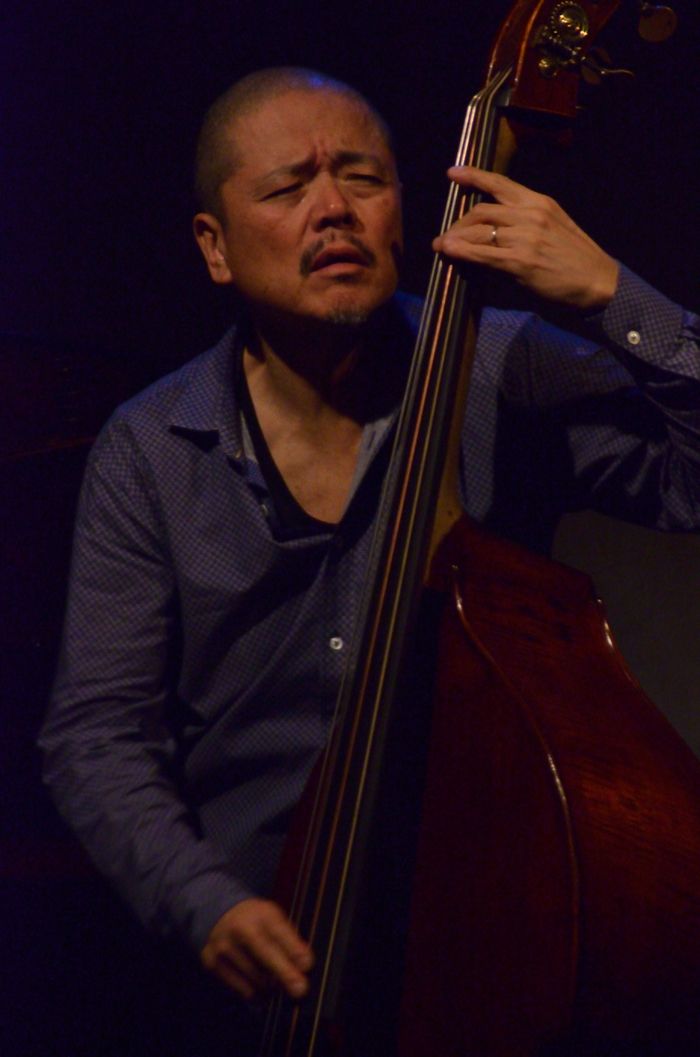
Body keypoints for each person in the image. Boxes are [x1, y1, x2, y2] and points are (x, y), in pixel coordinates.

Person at [40, 66, 700, 1044]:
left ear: (405, 211)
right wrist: (203, 904)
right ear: (214, 247)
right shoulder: (148, 450)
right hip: (249, 970)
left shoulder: (499, 364)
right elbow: (97, 736)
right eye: (287, 187)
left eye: (363, 178)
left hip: (488, 927)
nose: (333, 210)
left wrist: (613, 294)